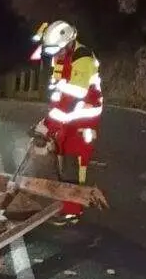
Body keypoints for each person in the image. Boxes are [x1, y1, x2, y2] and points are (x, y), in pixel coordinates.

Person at [32, 20, 103, 225]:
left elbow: (76, 95)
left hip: (84, 115)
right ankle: (66, 201)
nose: (56, 55)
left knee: (75, 159)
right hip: (68, 113)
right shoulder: (60, 56)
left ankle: (72, 209)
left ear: (69, 42)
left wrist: (48, 125)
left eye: (58, 50)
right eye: (53, 52)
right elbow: (59, 94)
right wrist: (47, 121)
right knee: (62, 154)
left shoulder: (83, 58)